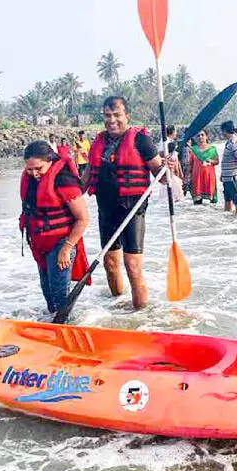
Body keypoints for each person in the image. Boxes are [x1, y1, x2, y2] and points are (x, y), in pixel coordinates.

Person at [81, 96, 166, 310]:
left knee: (132, 266)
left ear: (127, 115)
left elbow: (160, 175)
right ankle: (117, 309)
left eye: (117, 115)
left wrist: (169, 166)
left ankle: (141, 316)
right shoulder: (98, 143)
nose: (112, 120)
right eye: (107, 116)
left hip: (133, 210)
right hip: (107, 210)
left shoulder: (141, 141)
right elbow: (86, 178)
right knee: (110, 265)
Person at [20, 141, 90, 315]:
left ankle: (69, 332)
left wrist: (66, 248)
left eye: (38, 168)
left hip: (61, 243)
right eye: (29, 169)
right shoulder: (31, 179)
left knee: (60, 298)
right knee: (49, 296)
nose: (34, 173)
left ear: (50, 161)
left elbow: (83, 218)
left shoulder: (63, 180)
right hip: (40, 244)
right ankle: (53, 330)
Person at [220, 120, 237, 214]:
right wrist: (222, 175)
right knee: (228, 198)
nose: (221, 134)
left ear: (225, 131)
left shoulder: (235, 142)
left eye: (222, 131)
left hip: (233, 176)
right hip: (227, 177)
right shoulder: (229, 142)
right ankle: (228, 219)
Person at [188, 130, 219, 204]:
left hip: (209, 178)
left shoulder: (212, 149)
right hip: (197, 179)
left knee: (213, 206)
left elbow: (217, 161)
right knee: (197, 205)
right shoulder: (193, 149)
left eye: (202, 135)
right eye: (198, 135)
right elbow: (190, 164)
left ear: (206, 136)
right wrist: (188, 178)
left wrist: (210, 161)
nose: (200, 137)